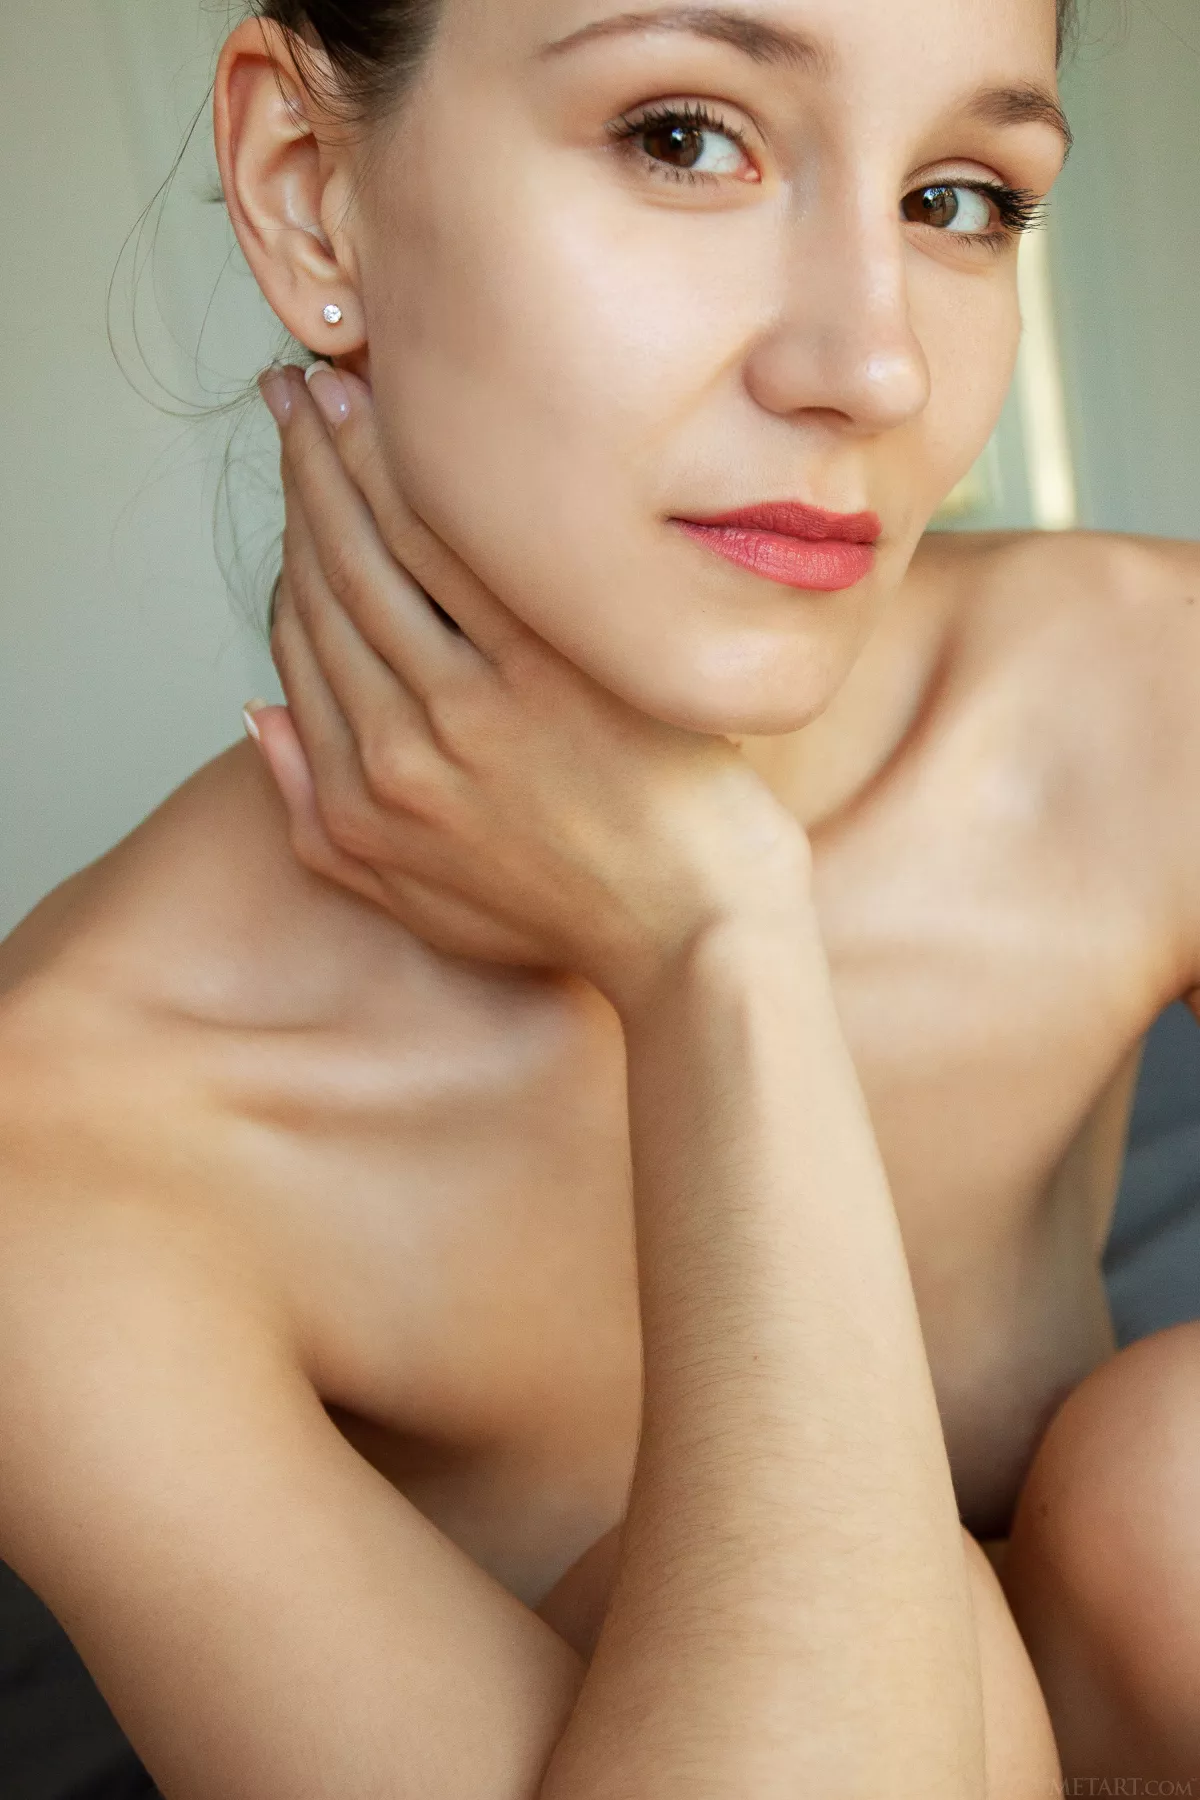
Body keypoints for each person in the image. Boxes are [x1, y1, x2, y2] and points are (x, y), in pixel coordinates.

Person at [0, 0, 1197, 1792]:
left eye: (956, 198)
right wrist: (717, 948)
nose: (871, 366)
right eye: (684, 138)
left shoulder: (1146, 689)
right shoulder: (66, 1139)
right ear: (309, 189)